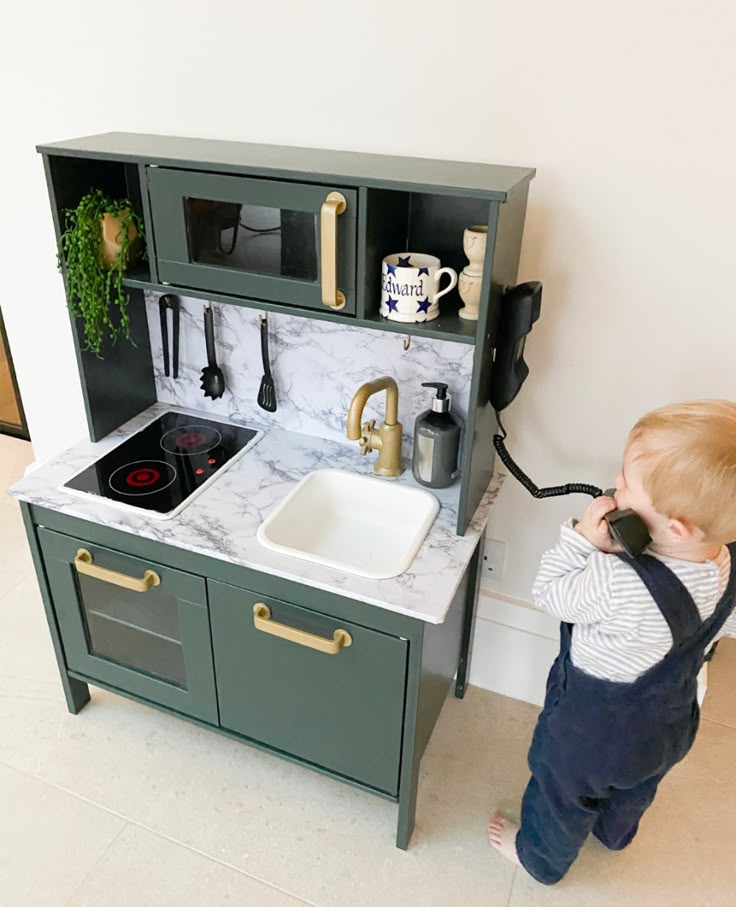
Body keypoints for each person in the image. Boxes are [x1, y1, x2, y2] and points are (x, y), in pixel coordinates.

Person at [488, 400, 736, 885]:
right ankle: (614, 833)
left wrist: (583, 540)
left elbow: (550, 594)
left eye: (625, 482)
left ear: (676, 527)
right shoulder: (725, 565)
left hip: (591, 735)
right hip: (669, 726)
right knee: (636, 787)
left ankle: (539, 858)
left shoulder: (615, 581)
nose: (615, 488)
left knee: (560, 792)